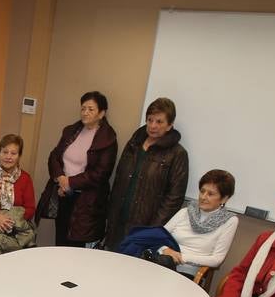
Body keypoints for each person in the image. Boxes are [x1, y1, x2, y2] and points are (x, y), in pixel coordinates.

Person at [103, 97, 190, 251]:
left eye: (159, 122)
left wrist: (153, 228)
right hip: (118, 220)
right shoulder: (133, 144)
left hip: (145, 225)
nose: (153, 125)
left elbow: (175, 197)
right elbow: (119, 178)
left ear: (170, 125)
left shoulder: (177, 154)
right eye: (150, 120)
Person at [37, 91, 118, 247]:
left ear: (101, 113)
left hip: (86, 202)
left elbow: (101, 173)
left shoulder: (108, 138)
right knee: (60, 242)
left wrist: (70, 182)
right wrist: (61, 179)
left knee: (76, 247)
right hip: (63, 194)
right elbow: (54, 156)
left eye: (91, 109)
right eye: (83, 108)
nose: (85, 112)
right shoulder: (71, 131)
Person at [121, 169, 239, 276]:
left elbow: (217, 259)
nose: (203, 197)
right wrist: (165, 250)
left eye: (210, 194)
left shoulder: (229, 221)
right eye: (202, 191)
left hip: (185, 271)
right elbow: (159, 237)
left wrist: (181, 257)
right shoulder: (186, 211)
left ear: (224, 198)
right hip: (160, 260)